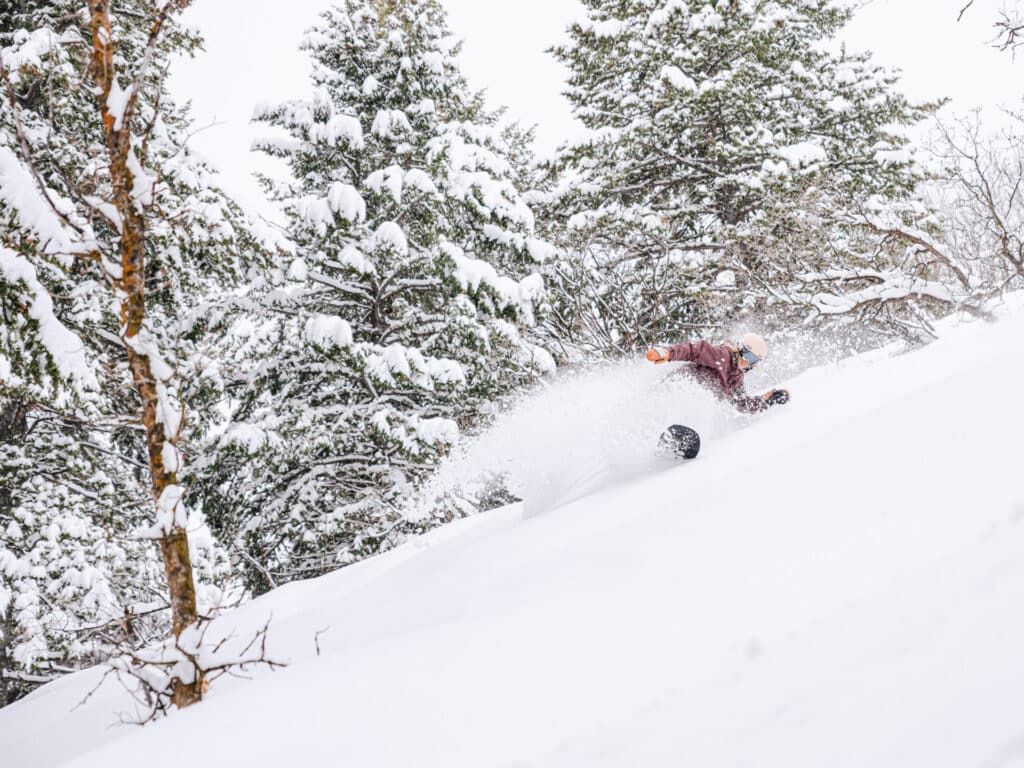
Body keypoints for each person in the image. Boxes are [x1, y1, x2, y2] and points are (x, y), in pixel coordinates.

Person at [645, 332, 789, 414]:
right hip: (675, 387)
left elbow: (741, 404)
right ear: (739, 348)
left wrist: (765, 402)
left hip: (687, 405)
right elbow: (694, 350)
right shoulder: (722, 355)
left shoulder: (736, 378)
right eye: (746, 354)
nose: (746, 361)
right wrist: (668, 353)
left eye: (752, 359)